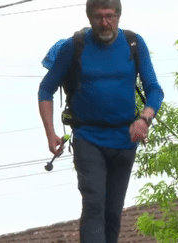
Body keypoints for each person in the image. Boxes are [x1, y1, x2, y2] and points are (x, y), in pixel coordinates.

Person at [38, 0, 164, 242]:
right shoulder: (73, 46)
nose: (104, 22)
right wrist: (50, 133)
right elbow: (45, 90)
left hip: (125, 139)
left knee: (113, 212)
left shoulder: (134, 43)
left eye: (110, 16)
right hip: (88, 138)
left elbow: (155, 90)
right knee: (94, 203)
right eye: (98, 17)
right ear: (89, 18)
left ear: (118, 16)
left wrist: (144, 119)